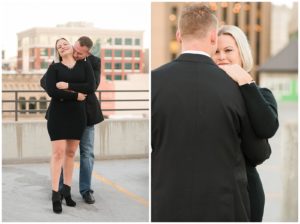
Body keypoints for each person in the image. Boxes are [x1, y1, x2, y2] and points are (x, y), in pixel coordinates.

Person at [151, 4, 271, 221]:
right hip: (225, 206)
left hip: (167, 205)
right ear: (213, 37)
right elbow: (259, 151)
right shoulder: (237, 90)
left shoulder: (153, 81)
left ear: (179, 35)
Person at [212, 25, 279, 221]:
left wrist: (245, 82)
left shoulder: (261, 94)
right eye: (216, 51)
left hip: (247, 189)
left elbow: (268, 127)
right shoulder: (207, 95)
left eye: (228, 50)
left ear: (242, 53)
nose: (221, 56)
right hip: (211, 190)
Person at [41, 36, 104, 204]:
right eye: (73, 49)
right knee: (62, 152)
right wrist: (66, 91)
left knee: (86, 153)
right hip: (62, 111)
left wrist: (68, 85)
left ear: (87, 52)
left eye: (79, 52)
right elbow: (46, 83)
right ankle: (61, 189)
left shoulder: (93, 62)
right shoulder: (56, 64)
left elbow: (92, 86)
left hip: (86, 114)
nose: (75, 53)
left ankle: (85, 190)